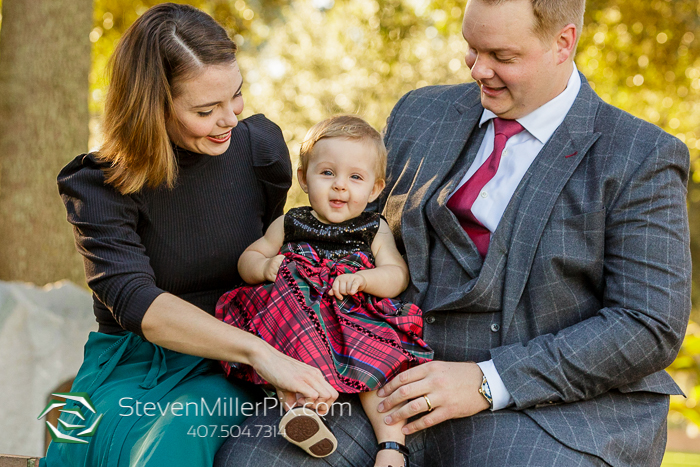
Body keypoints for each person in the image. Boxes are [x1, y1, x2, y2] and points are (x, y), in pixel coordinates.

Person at [214, 0, 691, 466]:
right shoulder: (420, 114)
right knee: (254, 458)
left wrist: (489, 381)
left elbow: (648, 324)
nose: (478, 69)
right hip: (379, 375)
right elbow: (353, 238)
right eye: (471, 48)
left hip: (545, 406)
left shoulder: (639, 155)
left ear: (563, 43)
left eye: (502, 56)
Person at [41, 4, 337, 467]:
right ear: (152, 107)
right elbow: (137, 302)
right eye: (205, 109)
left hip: (231, 357)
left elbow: (269, 259)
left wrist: (269, 353)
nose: (230, 119)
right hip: (132, 361)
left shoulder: (260, 150)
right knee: (82, 448)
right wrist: (261, 355)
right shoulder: (97, 185)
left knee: (178, 433)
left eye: (236, 96)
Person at [215, 115, 433, 467]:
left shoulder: (372, 227)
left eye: (355, 177)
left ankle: (392, 447)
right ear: (304, 178)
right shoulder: (291, 223)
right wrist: (264, 267)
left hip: (352, 317)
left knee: (378, 367)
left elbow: (397, 274)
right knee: (286, 363)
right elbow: (249, 258)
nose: (339, 187)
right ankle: (304, 417)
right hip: (297, 319)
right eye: (327, 173)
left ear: (375, 189)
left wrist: (364, 279)